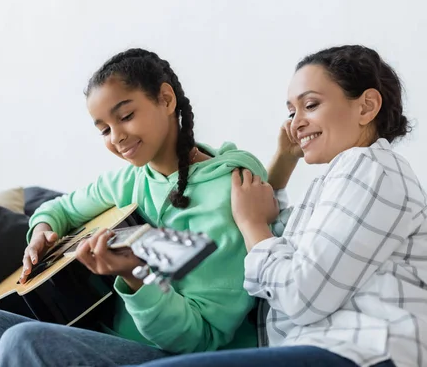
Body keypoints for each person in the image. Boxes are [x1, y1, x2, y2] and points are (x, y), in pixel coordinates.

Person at [0, 48, 269, 367]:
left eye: (125, 116)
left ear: (167, 99)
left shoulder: (228, 194)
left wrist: (136, 277)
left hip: (174, 356)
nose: (117, 137)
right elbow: (58, 209)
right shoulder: (129, 181)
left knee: (26, 341)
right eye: (104, 129)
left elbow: (199, 337)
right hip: (101, 336)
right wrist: (42, 232)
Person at [131, 45, 427, 367]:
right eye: (291, 112)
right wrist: (283, 163)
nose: (295, 123)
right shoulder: (340, 180)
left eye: (310, 105)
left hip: (359, 353)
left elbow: (301, 295)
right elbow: (278, 235)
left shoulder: (367, 166)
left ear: (367, 106)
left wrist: (252, 226)